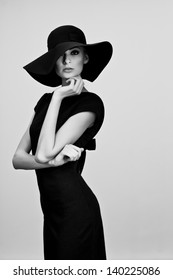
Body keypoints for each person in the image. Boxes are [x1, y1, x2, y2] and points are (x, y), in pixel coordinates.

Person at [12, 25, 113, 260]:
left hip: (76, 210)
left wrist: (58, 96)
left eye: (74, 53)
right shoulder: (45, 101)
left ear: (86, 58)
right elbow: (17, 159)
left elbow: (42, 154)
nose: (67, 60)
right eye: (60, 55)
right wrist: (55, 162)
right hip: (52, 211)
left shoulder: (90, 105)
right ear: (53, 62)